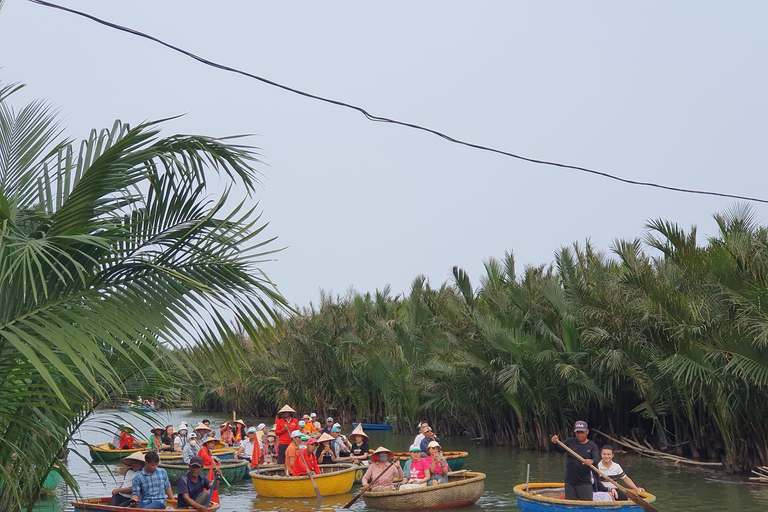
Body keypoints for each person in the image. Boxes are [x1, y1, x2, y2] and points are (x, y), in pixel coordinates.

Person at [551, 420, 601, 501]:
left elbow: (596, 458)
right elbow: (559, 449)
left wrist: (591, 461)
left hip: (584, 482)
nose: (580, 435)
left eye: (582, 432)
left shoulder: (592, 446)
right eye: (578, 433)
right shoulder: (570, 442)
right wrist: (555, 443)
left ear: (587, 432)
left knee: (586, 506)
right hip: (570, 481)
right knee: (570, 505)